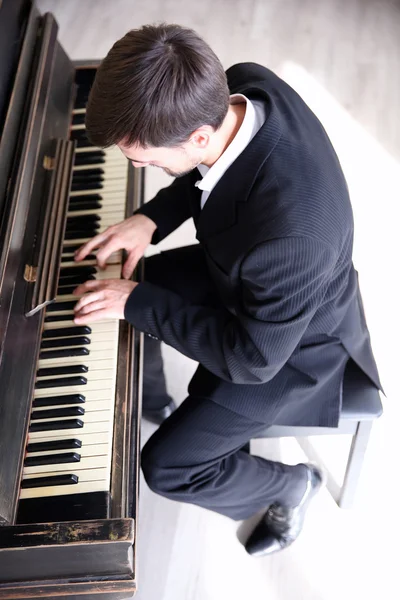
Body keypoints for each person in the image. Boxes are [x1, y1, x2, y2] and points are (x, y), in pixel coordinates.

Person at [73, 23, 382, 556]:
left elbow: (251, 361)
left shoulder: (290, 240)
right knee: (133, 286)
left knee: (165, 465)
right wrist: (151, 218)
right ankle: (154, 400)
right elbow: (203, 177)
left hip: (291, 350)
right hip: (247, 275)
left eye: (142, 159)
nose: (137, 167)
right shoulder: (241, 87)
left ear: (197, 137)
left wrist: (138, 303)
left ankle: (291, 486)